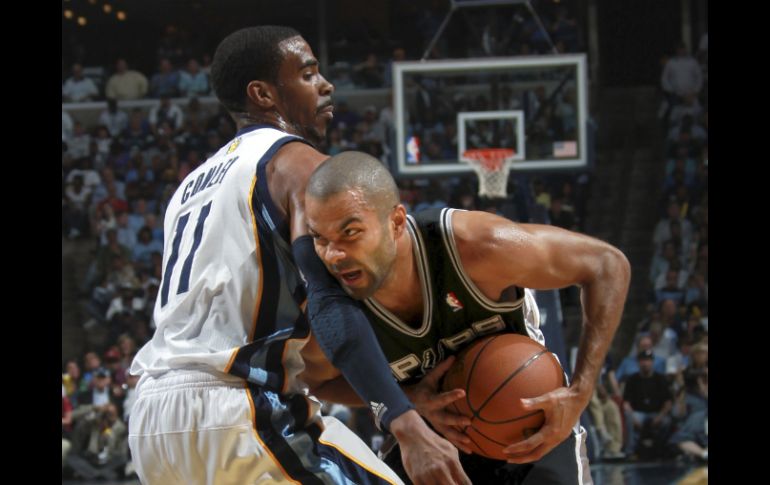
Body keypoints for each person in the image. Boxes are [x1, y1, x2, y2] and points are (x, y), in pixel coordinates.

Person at [128, 26, 469, 485]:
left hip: (153, 422)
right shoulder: (297, 164)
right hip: (236, 410)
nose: (326, 84)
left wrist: (399, 394)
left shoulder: (190, 187)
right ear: (263, 94)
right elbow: (329, 303)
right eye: (308, 74)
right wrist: (405, 423)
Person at [300, 151, 631, 484]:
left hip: (527, 423)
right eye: (320, 239)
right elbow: (321, 383)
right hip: (431, 435)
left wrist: (581, 391)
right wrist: (409, 397)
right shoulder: (331, 312)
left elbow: (607, 265)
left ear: (397, 222)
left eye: (351, 233)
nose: (334, 255)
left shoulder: (476, 246)